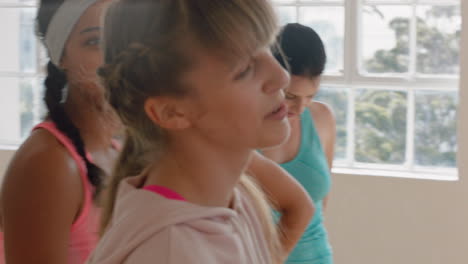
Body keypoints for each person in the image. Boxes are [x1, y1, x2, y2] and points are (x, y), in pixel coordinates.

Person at [86, 0, 301, 263]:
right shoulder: (170, 251)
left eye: (267, 47)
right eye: (245, 69)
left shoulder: (238, 200)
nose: (282, 77)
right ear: (172, 112)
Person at [0, 0, 119, 263]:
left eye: (121, 36)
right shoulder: (49, 163)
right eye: (94, 42)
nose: (113, 56)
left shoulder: (117, 153)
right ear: (61, 56)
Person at [262, 23, 337, 264]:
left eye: (310, 97)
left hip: (316, 257)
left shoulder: (322, 119)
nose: (300, 107)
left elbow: (319, 205)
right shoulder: (242, 127)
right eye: (290, 96)